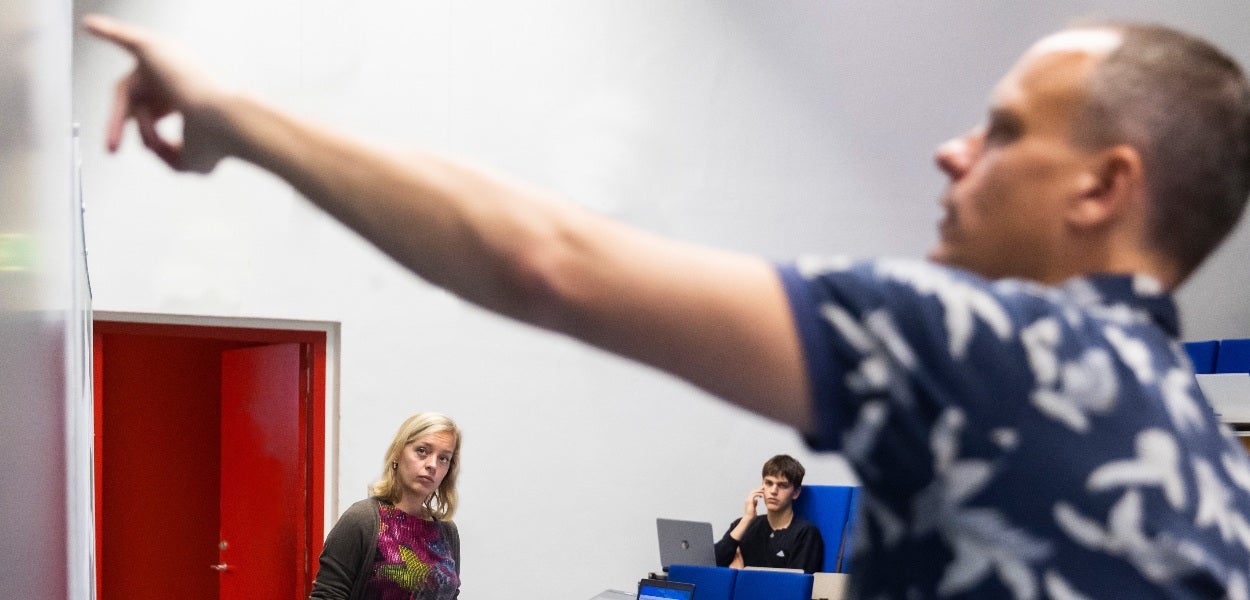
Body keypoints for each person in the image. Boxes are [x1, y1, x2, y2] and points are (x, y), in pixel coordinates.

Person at [84, 15, 1250, 598]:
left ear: (1104, 187)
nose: (951, 151)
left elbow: (549, 262)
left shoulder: (982, 348)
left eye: (1001, 131)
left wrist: (239, 120)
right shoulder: (1199, 455)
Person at [310, 412, 462, 600]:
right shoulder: (363, 520)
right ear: (397, 454)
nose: (432, 465)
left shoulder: (447, 531)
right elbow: (327, 595)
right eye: (422, 451)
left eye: (443, 458)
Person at [714, 454, 823, 574]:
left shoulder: (805, 533)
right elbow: (712, 564)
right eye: (769, 483)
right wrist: (747, 519)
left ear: (795, 492)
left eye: (782, 485)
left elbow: (795, 586)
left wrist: (741, 575)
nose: (773, 491)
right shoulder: (741, 525)